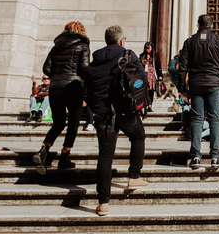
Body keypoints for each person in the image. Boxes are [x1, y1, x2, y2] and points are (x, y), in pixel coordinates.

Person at [85, 25, 148, 217]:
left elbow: (86, 92)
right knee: (138, 137)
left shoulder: (93, 63)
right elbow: (141, 79)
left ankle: (103, 203)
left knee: (105, 156)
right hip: (126, 112)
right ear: (121, 40)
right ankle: (134, 176)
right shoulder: (128, 55)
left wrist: (98, 109)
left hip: (103, 115)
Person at [177, 14, 219, 169]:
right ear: (212, 26)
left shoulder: (190, 42)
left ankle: (195, 156)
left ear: (198, 25)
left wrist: (181, 88)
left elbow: (182, 68)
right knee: (215, 120)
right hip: (215, 84)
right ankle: (215, 157)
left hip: (195, 84)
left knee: (196, 120)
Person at [34, 21, 90, 174]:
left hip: (56, 87)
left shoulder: (56, 46)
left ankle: (44, 150)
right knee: (73, 122)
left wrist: (57, 76)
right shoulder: (83, 45)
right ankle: (65, 156)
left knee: (58, 123)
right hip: (73, 86)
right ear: (82, 31)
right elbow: (84, 67)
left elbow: (46, 68)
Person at [140, 41, 163, 112]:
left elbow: (158, 65)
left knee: (152, 90)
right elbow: (139, 66)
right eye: (146, 48)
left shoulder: (155, 55)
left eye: (149, 48)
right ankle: (148, 104)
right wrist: (143, 63)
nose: (148, 50)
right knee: (146, 89)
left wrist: (160, 75)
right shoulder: (142, 55)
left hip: (153, 74)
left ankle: (150, 105)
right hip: (146, 74)